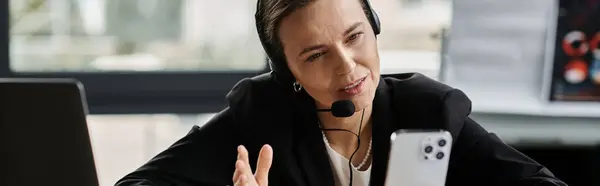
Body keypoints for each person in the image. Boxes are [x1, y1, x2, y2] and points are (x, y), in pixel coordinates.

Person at [115, 0, 567, 185]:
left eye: (354, 37)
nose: (348, 67)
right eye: (315, 55)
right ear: (285, 70)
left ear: (374, 27)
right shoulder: (260, 117)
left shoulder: (429, 112)